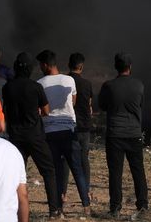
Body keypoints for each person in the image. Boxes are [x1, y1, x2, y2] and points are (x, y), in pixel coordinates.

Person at [3, 52, 61, 218]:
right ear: (30, 69)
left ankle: (12, 209)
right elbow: (46, 111)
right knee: (48, 171)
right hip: (35, 136)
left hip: (15, 137)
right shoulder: (36, 87)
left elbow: (6, 110)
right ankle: (54, 210)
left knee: (16, 175)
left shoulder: (8, 87)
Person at [36, 50, 91, 215]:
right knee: (77, 168)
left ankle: (59, 207)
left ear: (45, 65)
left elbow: (41, 109)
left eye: (40, 65)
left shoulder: (39, 83)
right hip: (69, 130)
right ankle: (86, 206)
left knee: (56, 171)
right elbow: (72, 102)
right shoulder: (69, 80)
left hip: (50, 132)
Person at [98, 52, 149, 217]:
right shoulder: (139, 85)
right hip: (134, 134)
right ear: (130, 67)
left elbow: (103, 105)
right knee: (138, 171)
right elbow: (140, 104)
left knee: (115, 173)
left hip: (115, 134)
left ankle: (115, 209)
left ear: (116, 67)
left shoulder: (108, 86)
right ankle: (142, 206)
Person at [65, 53, 94, 209]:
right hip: (84, 126)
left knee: (65, 161)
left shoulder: (64, 82)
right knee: (83, 160)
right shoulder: (87, 84)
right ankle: (87, 191)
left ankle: (62, 194)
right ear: (81, 67)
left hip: (68, 125)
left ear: (68, 64)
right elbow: (89, 105)